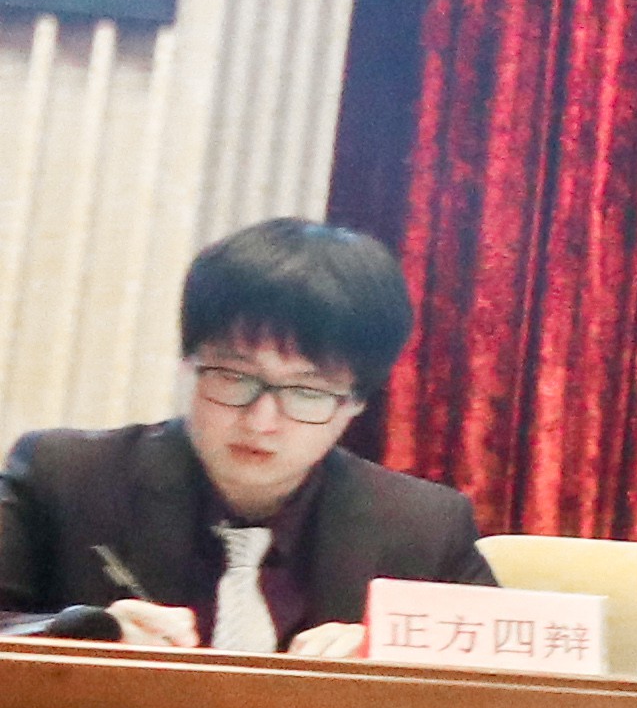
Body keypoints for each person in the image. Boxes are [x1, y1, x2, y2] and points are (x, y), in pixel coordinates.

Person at [0, 220, 494, 654]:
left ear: (357, 402)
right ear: (190, 363)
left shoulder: (424, 528)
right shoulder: (63, 477)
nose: (261, 421)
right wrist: (81, 633)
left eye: (307, 392)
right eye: (234, 377)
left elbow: (502, 676)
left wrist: (390, 656)